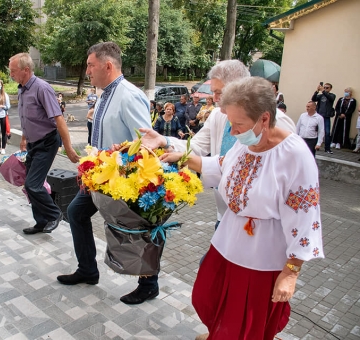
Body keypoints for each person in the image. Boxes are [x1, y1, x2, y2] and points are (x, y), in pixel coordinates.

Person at [160, 77, 324, 339]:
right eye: (231, 125)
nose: (233, 133)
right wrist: (186, 158)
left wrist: (290, 272)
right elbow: (224, 166)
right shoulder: (246, 141)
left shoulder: (295, 156)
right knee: (206, 296)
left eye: (238, 125)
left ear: (265, 118)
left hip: (260, 255)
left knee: (245, 320)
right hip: (227, 241)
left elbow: (306, 216)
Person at [140, 59, 295, 240]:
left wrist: (292, 262)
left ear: (240, 88)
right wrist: (163, 141)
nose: (214, 98)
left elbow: (292, 190)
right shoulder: (217, 115)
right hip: (224, 217)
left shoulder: (280, 126)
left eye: (218, 92)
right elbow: (198, 148)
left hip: (261, 225)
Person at [56, 42, 156, 306]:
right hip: (99, 177)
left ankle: (149, 284)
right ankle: (88, 270)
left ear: (107, 66)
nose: (87, 71)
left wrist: (123, 166)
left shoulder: (129, 95)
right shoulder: (103, 94)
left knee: (137, 230)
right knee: (76, 213)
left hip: (122, 180)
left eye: (90, 65)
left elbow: (146, 142)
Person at [9, 52, 78, 234]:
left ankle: (55, 214)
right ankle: (41, 222)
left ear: (26, 70)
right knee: (29, 185)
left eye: (13, 71)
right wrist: (24, 139)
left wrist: (68, 148)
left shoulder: (42, 88)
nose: (11, 75)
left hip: (47, 142)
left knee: (34, 184)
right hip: (33, 143)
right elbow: (26, 118)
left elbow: (59, 119)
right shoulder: (22, 89)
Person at [312, 82, 336, 154]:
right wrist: (317, 91)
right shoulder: (320, 96)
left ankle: (327, 148)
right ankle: (316, 145)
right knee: (316, 131)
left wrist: (323, 91)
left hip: (326, 116)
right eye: (324, 87)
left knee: (327, 132)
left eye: (327, 88)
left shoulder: (332, 95)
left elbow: (330, 99)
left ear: (330, 89)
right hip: (319, 116)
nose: (325, 89)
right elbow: (313, 99)